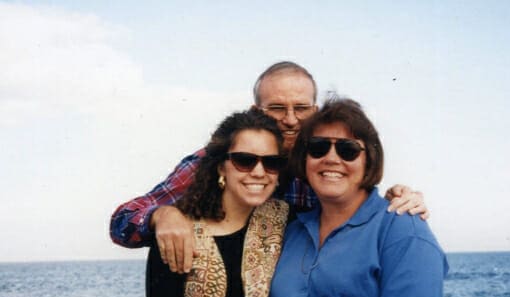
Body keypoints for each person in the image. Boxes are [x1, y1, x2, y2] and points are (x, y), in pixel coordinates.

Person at [110, 61, 429, 274]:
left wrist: (399, 199)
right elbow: (123, 220)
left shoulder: (324, 167)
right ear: (256, 109)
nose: (290, 120)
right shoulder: (223, 159)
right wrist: (161, 216)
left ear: (314, 110)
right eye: (277, 108)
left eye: (300, 108)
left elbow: (363, 215)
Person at [269, 98, 464, 297]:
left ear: (369, 160)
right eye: (319, 148)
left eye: (347, 150)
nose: (331, 158)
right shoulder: (289, 233)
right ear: (304, 158)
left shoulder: (402, 227)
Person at [138, 109, 290, 297]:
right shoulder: (178, 231)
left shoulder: (288, 223)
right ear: (222, 166)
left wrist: (397, 196)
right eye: (245, 161)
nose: (259, 172)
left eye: (272, 163)